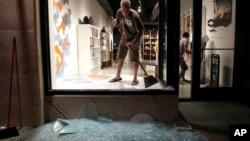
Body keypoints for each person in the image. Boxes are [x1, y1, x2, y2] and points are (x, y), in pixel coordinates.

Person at [109, 0, 144, 85]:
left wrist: (132, 42)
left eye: (127, 10)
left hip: (134, 38)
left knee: (134, 59)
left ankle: (135, 78)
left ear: (130, 7)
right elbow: (117, 23)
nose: (125, 12)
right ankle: (118, 76)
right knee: (120, 57)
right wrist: (114, 22)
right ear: (121, 8)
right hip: (124, 38)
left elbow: (141, 31)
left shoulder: (134, 15)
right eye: (123, 9)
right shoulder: (119, 12)